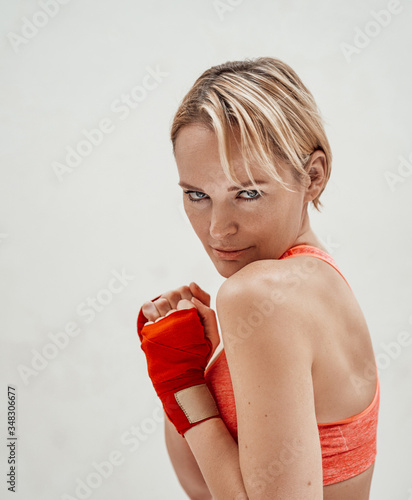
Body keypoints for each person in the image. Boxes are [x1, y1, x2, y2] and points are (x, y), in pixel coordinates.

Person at [137, 57, 379, 499]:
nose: (217, 229)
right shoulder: (320, 283)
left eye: (247, 193)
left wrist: (183, 385)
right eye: (197, 195)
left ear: (312, 177)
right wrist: (208, 366)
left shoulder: (258, 295)